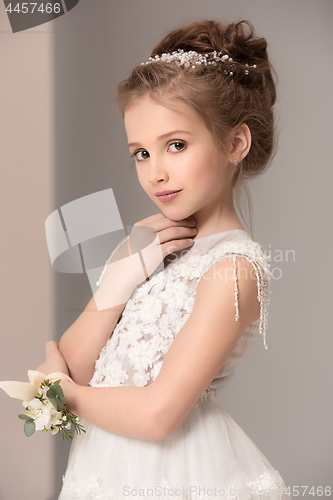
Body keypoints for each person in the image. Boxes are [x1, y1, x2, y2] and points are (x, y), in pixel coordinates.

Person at [37, 19, 289, 500]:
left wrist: (65, 397)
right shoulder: (145, 246)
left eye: (176, 145)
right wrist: (120, 277)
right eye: (140, 153)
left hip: (177, 476)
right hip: (105, 471)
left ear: (235, 143)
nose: (156, 172)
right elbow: (74, 363)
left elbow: (158, 414)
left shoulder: (233, 269)